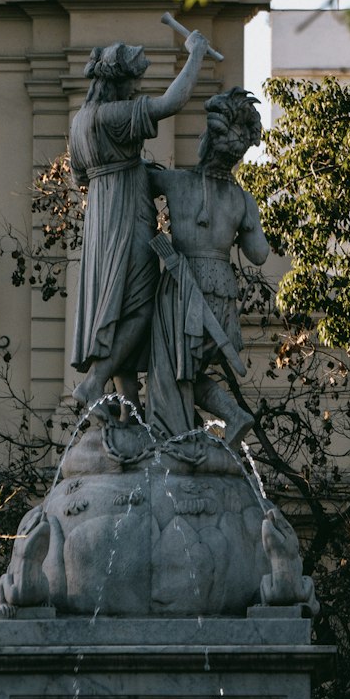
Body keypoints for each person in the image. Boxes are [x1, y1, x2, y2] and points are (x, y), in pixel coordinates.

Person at [69, 31, 210, 409]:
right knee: (140, 305)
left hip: (100, 217)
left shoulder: (79, 122)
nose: (136, 88)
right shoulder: (115, 114)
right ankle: (95, 382)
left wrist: (128, 165)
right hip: (127, 215)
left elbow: (80, 177)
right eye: (133, 81)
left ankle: (128, 411)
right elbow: (172, 101)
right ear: (119, 82)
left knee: (116, 310)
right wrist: (195, 53)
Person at [146, 87, 269, 446]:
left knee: (171, 370)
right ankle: (230, 416)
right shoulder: (243, 200)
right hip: (222, 292)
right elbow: (259, 254)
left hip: (183, 288)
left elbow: (136, 179)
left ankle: (183, 434)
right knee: (191, 369)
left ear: (206, 141)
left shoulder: (176, 182)